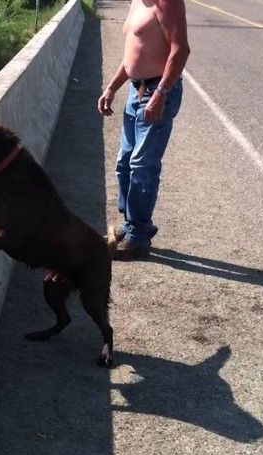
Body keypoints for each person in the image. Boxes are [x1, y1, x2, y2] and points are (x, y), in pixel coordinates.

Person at [98, 0, 190, 260]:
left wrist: (161, 93)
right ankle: (129, 227)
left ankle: (138, 237)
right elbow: (132, 54)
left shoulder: (167, 2)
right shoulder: (137, 2)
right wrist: (112, 88)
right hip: (134, 90)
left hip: (156, 91)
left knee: (142, 165)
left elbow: (180, 50)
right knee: (124, 163)